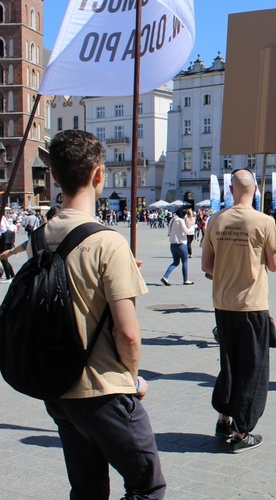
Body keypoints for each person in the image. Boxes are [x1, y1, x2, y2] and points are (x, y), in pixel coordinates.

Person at [41, 130, 165, 498]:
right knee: (147, 486)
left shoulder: (40, 235)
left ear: (54, 176)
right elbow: (127, 333)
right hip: (103, 388)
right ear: (99, 175)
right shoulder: (107, 241)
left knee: (87, 489)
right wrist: (132, 378)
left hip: (59, 388)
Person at [202, 169, 276, 453]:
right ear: (256, 188)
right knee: (253, 367)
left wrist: (226, 272)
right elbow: (273, 265)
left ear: (232, 190)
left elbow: (206, 266)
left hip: (223, 303)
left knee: (230, 362)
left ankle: (223, 418)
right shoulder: (264, 221)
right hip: (252, 304)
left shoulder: (216, 220)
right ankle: (241, 431)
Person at [161, 208, 193, 286]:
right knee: (185, 261)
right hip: (181, 244)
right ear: (183, 214)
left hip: (172, 244)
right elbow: (186, 231)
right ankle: (186, 279)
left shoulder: (172, 219)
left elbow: (169, 232)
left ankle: (165, 277)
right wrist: (193, 227)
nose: (185, 217)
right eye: (185, 215)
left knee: (175, 262)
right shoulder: (180, 220)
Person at [0, 211, 17, 282]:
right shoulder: (4, 219)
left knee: (3, 258)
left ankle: (8, 277)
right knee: (5, 258)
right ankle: (12, 275)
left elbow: (2, 230)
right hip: (7, 240)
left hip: (3, 240)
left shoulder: (1, 219)